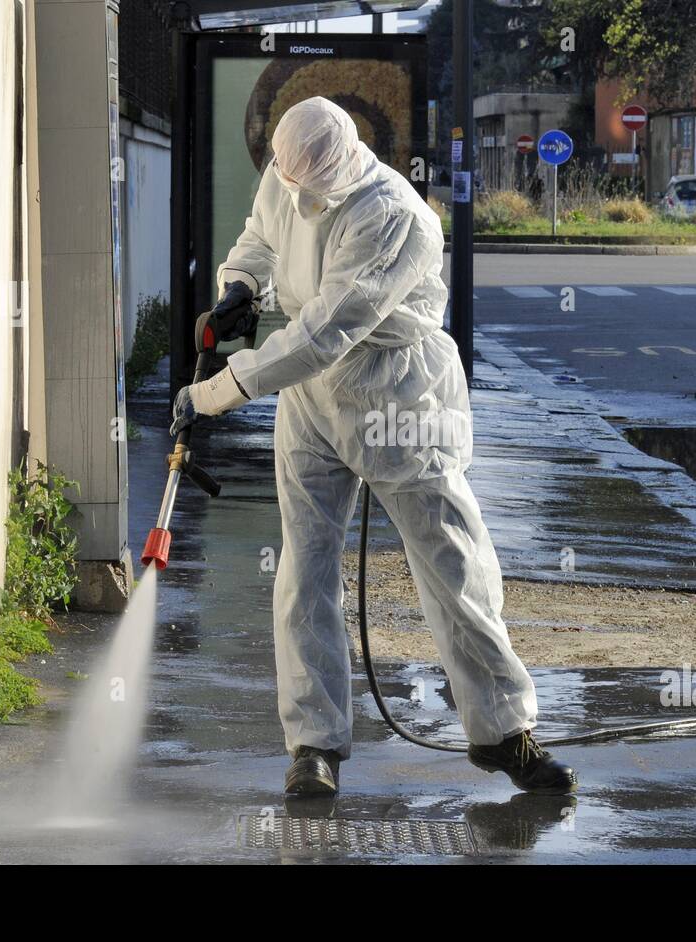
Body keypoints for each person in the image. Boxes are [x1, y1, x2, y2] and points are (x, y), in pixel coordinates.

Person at [171, 97, 576, 798]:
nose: (298, 198)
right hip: (313, 401)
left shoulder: (393, 216)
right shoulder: (292, 167)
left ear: (347, 162)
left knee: (451, 560)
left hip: (398, 393)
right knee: (305, 568)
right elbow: (261, 236)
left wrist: (214, 393)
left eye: (310, 192)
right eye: (289, 183)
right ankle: (313, 744)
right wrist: (240, 285)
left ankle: (505, 730)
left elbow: (325, 330)